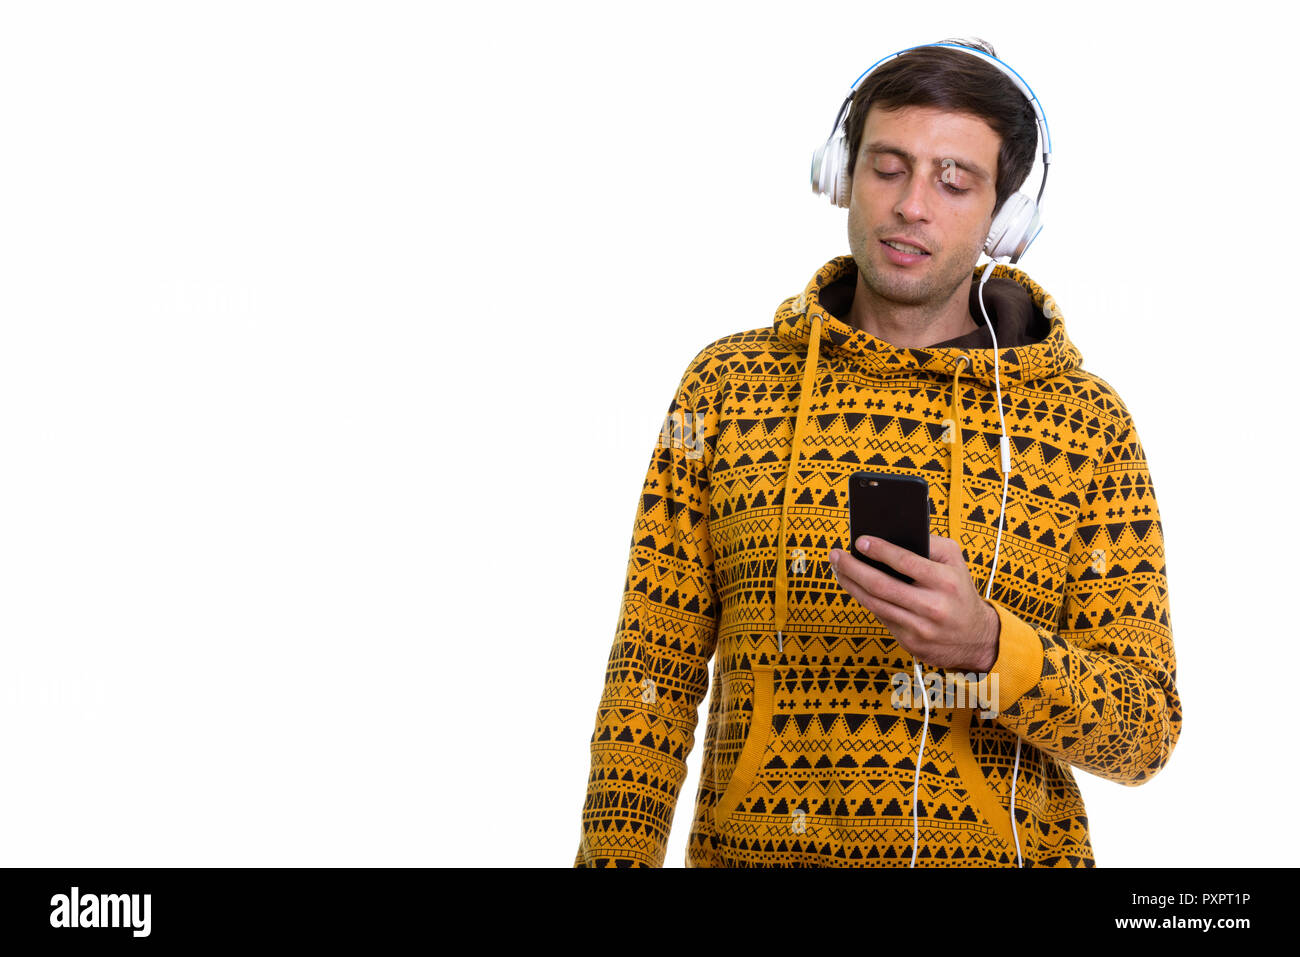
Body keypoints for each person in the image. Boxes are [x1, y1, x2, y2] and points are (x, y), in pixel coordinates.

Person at [573, 37, 1180, 868]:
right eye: (888, 168)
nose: (912, 205)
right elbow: (652, 672)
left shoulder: (1084, 426)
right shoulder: (725, 388)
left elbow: (1144, 730)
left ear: (1006, 216)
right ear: (841, 175)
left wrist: (990, 646)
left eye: (954, 180)